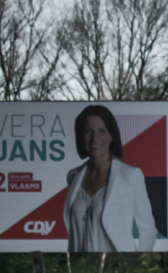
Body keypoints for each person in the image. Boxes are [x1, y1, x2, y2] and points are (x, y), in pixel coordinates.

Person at [63, 105, 157, 252]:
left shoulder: (131, 175)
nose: (95, 138)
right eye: (89, 131)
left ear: (112, 135)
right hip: (79, 267)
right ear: (81, 135)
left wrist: (136, 262)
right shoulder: (73, 176)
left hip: (118, 267)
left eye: (102, 131)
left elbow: (148, 229)